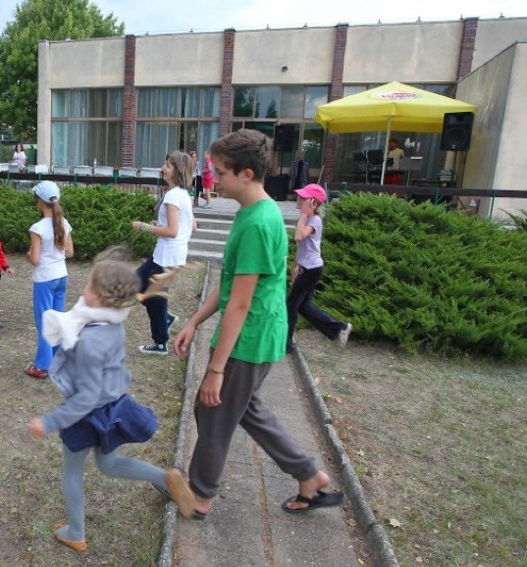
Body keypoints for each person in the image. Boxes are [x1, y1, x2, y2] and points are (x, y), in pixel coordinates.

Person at [172, 128, 344, 518]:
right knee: (245, 408)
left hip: (248, 337)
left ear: (247, 174)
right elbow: (233, 282)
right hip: (261, 332)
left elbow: (240, 303)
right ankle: (309, 477)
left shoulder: (256, 224)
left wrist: (216, 368)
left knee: (213, 411)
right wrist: (195, 321)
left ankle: (199, 497)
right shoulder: (255, 212)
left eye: (221, 171)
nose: (213, 178)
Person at [27, 255, 196, 554]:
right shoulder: (112, 323)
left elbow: (86, 397)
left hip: (88, 413)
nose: (85, 286)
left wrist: (51, 421)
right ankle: (165, 479)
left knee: (72, 472)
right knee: (109, 463)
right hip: (113, 405)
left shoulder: (90, 341)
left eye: (90, 283)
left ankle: (75, 532)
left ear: (101, 296)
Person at [131, 150, 194, 355]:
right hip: (168, 255)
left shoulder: (174, 195)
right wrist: (161, 224)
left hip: (167, 256)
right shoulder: (182, 194)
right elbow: (192, 225)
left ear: (177, 170)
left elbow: (172, 231)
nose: (163, 168)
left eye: (167, 165)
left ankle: (161, 339)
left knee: (141, 289)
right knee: (149, 292)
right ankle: (164, 324)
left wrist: (144, 227)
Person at [286, 183, 352, 352]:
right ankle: (339, 328)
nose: (299, 199)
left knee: (291, 304)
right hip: (307, 268)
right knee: (303, 307)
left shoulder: (314, 220)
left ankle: (287, 343)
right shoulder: (307, 219)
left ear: (313, 202)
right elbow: (301, 247)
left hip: (311, 269)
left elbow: (299, 236)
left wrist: (303, 214)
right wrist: (295, 267)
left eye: (303, 197)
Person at [25, 181, 74, 379]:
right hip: (61, 276)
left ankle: (42, 366)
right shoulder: (64, 222)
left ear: (38, 201)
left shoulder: (37, 228)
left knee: (44, 322)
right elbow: (69, 252)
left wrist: (28, 255)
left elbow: (35, 259)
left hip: (45, 279)